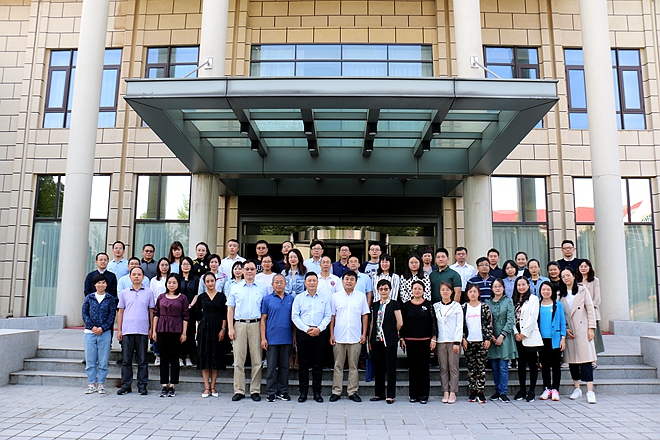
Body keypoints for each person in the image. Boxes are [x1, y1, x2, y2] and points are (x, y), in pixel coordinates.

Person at [227, 260, 269, 402]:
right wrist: (230, 327)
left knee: (257, 360)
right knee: (239, 359)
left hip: (256, 324)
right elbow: (230, 308)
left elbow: (265, 310)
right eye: (247, 269)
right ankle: (239, 390)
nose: (249, 271)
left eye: (252, 269)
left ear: (256, 271)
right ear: (243, 271)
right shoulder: (235, 288)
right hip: (239, 324)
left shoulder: (262, 288)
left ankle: (255, 390)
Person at [329, 271, 370, 402]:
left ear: (356, 282)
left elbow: (365, 315)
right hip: (339, 336)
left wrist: (364, 334)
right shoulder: (335, 297)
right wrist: (331, 334)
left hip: (355, 336)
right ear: (342, 281)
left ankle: (353, 391)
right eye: (346, 279)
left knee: (353, 365)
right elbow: (332, 316)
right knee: (338, 365)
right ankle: (336, 391)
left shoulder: (361, 296)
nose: (349, 281)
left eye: (352, 279)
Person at [559, 267, 598, 404]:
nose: (566, 278)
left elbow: (590, 309)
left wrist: (591, 328)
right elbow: (560, 314)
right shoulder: (560, 294)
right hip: (570, 331)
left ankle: (590, 391)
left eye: (568, 275)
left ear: (574, 276)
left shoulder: (582, 290)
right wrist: (565, 329)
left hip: (583, 329)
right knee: (572, 361)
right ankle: (577, 388)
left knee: (586, 360)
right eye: (563, 276)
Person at [293, 272, 332, 403]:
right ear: (305, 283)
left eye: (314, 280)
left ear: (317, 282)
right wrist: (306, 329)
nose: (312, 283)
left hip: (319, 333)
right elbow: (295, 316)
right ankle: (303, 392)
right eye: (309, 280)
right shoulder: (299, 298)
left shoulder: (324, 298)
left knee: (318, 365)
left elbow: (328, 316)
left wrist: (319, 329)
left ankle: (317, 392)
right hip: (303, 333)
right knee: (303, 364)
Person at [117, 266, 155, 396]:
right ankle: (126, 385)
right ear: (130, 277)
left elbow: (151, 312)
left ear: (143, 277)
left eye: (139, 274)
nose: (136, 276)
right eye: (134, 274)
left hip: (143, 330)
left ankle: (142, 385)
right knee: (126, 360)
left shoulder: (149, 292)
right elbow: (120, 311)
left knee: (142, 360)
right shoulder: (124, 292)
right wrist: (119, 330)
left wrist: (151, 328)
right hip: (127, 330)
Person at [152, 273, 189, 397]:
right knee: (163, 358)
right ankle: (164, 384)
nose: (171, 285)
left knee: (174, 358)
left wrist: (184, 332)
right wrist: (154, 330)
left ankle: (172, 385)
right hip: (162, 329)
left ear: (178, 284)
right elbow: (156, 314)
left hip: (176, 330)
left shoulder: (182, 298)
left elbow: (185, 316)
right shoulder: (161, 297)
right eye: (169, 282)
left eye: (174, 282)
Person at [261, 274, 295, 402]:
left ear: (286, 284)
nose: (279, 284)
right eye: (276, 282)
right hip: (271, 338)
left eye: (281, 282)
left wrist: (294, 336)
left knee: (284, 366)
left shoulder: (291, 299)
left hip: (287, 337)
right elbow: (263, 320)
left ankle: (282, 391)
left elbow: (294, 319)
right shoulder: (267, 299)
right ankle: (271, 392)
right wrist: (263, 338)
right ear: (272, 284)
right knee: (271, 367)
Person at [400, 280, 434, 404]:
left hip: (425, 341)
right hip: (410, 341)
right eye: (415, 288)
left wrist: (433, 338)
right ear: (411, 290)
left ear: (424, 291)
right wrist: (402, 338)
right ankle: (413, 394)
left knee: (424, 369)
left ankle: (424, 395)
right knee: (413, 368)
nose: (417, 291)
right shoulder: (406, 305)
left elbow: (433, 322)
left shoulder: (429, 305)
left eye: (420, 289)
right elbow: (402, 323)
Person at [369, 279, 402, 404]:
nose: (383, 291)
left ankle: (390, 395)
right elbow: (372, 323)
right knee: (378, 367)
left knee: (390, 367)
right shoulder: (375, 304)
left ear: (390, 290)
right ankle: (379, 394)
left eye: (386, 289)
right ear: (378, 290)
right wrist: (370, 339)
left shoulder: (394, 304)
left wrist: (392, 332)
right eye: (381, 289)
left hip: (389, 341)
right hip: (377, 340)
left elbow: (400, 322)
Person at [82, 274, 117, 395]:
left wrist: (103, 328)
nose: (101, 285)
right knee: (90, 360)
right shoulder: (89, 298)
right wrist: (92, 327)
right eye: (98, 283)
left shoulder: (110, 299)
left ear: (106, 284)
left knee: (103, 360)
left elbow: (112, 316)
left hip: (105, 333)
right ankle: (91, 384)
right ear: (94, 285)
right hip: (89, 332)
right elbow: (85, 314)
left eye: (103, 282)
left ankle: (101, 384)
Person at [485, 278, 516, 403]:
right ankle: (497, 391)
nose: (497, 288)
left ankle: (503, 392)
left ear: (503, 288)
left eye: (499, 286)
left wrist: (502, 335)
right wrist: (491, 336)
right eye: (495, 286)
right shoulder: (487, 302)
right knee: (494, 367)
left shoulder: (508, 301)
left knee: (503, 367)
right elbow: (485, 320)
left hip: (505, 338)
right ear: (492, 288)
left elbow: (510, 320)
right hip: (491, 337)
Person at [197, 272, 228, 398]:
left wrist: (223, 329)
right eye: (207, 281)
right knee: (205, 357)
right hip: (205, 330)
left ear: (216, 281)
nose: (210, 283)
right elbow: (198, 314)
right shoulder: (201, 297)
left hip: (218, 329)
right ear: (204, 283)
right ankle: (206, 387)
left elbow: (224, 314)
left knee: (216, 357)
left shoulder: (221, 296)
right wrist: (201, 327)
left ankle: (213, 386)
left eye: (212, 281)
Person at [512, 276, 543, 402]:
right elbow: (512, 318)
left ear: (528, 285)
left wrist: (524, 333)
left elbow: (533, 317)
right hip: (517, 335)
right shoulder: (513, 300)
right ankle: (522, 390)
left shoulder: (533, 299)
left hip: (530, 335)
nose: (521, 287)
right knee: (521, 365)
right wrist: (516, 333)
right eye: (518, 285)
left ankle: (532, 390)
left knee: (532, 364)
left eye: (523, 284)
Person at [461, 283, 493, 404]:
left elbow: (489, 324)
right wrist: (462, 338)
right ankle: (472, 390)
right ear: (467, 294)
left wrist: (488, 338)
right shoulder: (463, 307)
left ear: (479, 293)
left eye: (475, 291)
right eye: (470, 292)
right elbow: (460, 325)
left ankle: (480, 391)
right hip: (468, 341)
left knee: (481, 367)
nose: (473, 294)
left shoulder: (484, 307)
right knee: (471, 367)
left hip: (481, 341)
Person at [432, 281, 462, 404]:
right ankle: (445, 391)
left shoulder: (457, 306)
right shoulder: (435, 306)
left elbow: (459, 325)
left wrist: (457, 342)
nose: (445, 292)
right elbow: (433, 324)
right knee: (443, 368)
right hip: (440, 341)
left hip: (453, 341)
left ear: (452, 292)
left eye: (447, 290)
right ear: (439, 292)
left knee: (453, 368)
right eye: (443, 290)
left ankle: (453, 392)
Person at [538, 281, 566, 401]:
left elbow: (562, 322)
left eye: (548, 289)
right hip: (541, 339)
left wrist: (563, 338)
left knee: (555, 365)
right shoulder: (537, 304)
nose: (546, 292)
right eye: (543, 289)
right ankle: (547, 388)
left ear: (552, 291)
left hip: (555, 339)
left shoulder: (558, 305)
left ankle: (555, 389)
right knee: (544, 365)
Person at [577, 259, 605, 354]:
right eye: (581, 266)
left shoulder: (595, 280)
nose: (583, 268)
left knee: (593, 338)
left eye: (585, 266)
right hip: (579, 313)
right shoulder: (575, 281)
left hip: (592, 312)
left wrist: (588, 307)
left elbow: (597, 299)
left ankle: (594, 358)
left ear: (589, 268)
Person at [179, 257, 199, 367]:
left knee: (190, 333)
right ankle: (179, 357)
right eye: (184, 264)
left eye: (188, 264)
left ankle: (187, 357)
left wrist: (191, 304)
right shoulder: (177, 278)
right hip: (178, 310)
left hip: (191, 310)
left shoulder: (195, 279)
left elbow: (197, 293)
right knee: (179, 332)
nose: (186, 266)